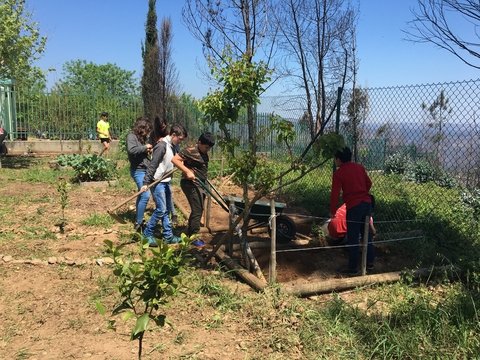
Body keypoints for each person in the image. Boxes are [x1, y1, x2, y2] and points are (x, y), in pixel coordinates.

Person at [140, 124, 187, 247]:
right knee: (161, 209)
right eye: (180, 139)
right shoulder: (162, 146)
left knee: (166, 210)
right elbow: (153, 164)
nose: (180, 141)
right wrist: (146, 182)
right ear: (173, 135)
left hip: (166, 181)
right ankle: (146, 235)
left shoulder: (174, 146)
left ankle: (168, 236)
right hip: (158, 181)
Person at [330, 146, 373, 275]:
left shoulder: (339, 173)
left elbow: (335, 194)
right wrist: (361, 192)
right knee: (366, 234)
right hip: (367, 203)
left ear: (338, 159)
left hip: (354, 206)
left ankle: (353, 268)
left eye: (335, 158)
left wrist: (332, 211)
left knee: (353, 237)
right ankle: (370, 263)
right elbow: (369, 183)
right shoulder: (359, 167)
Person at [171, 132, 216, 248]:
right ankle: (194, 235)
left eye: (210, 148)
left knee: (199, 208)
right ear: (199, 142)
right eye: (206, 147)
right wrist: (187, 171)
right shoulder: (190, 150)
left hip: (201, 184)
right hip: (190, 184)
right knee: (197, 209)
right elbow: (175, 160)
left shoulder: (203, 152)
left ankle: (191, 231)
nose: (208, 150)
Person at [323, 202, 376, 269]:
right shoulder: (364, 209)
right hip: (341, 237)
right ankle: (354, 252)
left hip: (330, 233)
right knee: (362, 228)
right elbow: (373, 232)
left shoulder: (347, 204)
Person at [126, 117, 153, 232]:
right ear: (142, 128)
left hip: (143, 168)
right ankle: (139, 222)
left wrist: (146, 151)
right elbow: (131, 150)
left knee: (141, 194)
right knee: (145, 195)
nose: (148, 133)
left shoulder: (139, 137)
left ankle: (138, 218)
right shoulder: (131, 136)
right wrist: (145, 147)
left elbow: (139, 152)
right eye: (147, 130)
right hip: (138, 170)